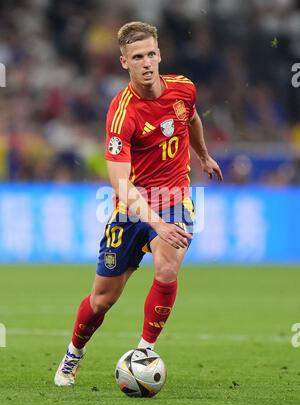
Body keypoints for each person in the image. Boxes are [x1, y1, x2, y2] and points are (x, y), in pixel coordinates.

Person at [54, 21, 222, 386]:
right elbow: (121, 184)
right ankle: (73, 355)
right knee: (102, 299)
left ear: (159, 54)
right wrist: (155, 223)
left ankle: (144, 349)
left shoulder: (183, 89)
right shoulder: (122, 113)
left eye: (150, 54)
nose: (146, 62)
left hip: (174, 197)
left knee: (167, 268)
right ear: (123, 62)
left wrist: (204, 156)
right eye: (137, 57)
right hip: (132, 207)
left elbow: (191, 119)